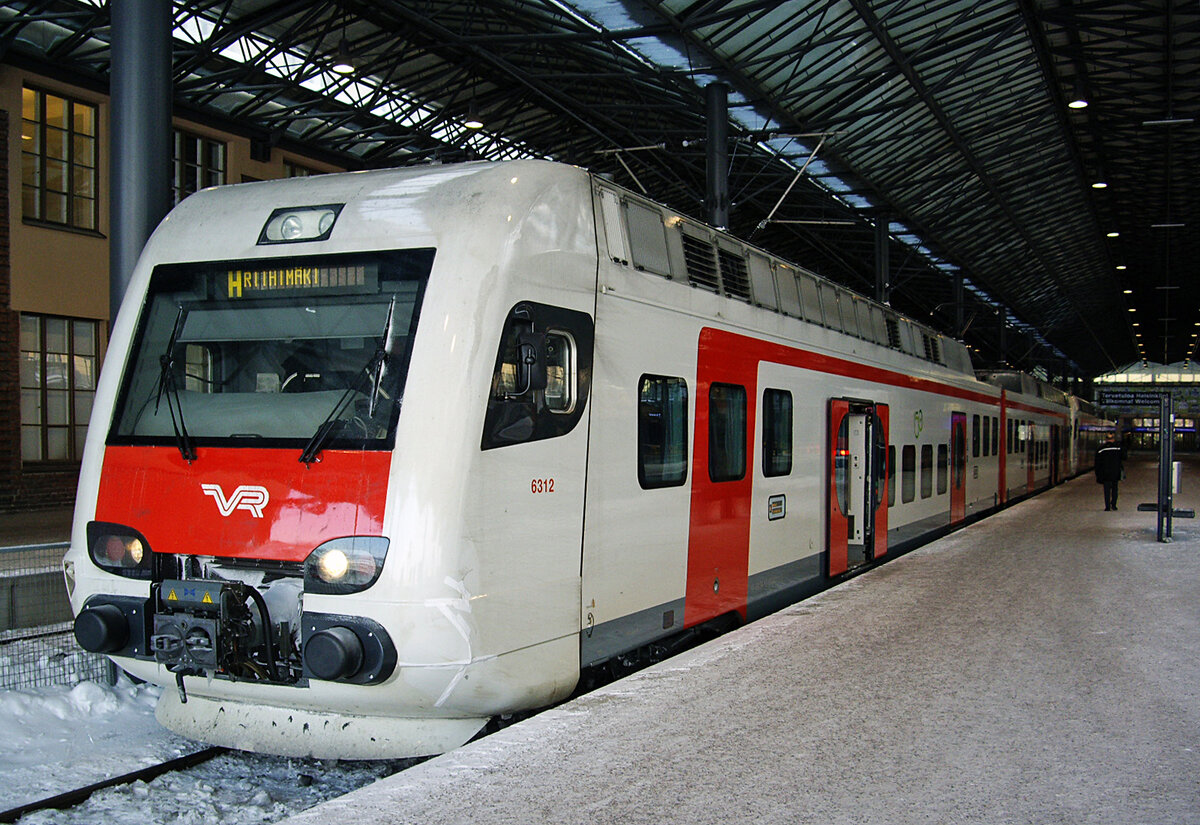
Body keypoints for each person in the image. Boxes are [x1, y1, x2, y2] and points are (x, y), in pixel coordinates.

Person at [1094, 432, 1124, 511]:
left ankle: (1107, 507)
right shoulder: (1118, 448)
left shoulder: (1101, 449)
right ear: (1113, 439)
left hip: (1105, 473)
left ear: (1106, 440)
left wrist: (1098, 474)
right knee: (1115, 489)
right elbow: (1124, 457)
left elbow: (1097, 463)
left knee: (1106, 490)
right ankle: (1113, 505)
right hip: (1115, 472)